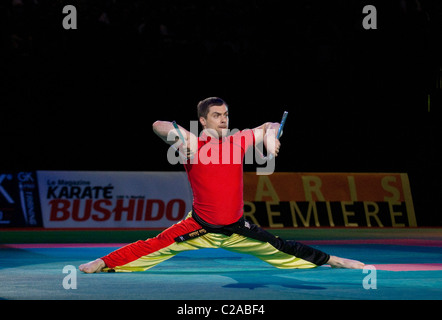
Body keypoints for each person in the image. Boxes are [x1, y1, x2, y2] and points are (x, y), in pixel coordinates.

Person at [79, 97, 364, 273]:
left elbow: (270, 125)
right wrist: (181, 137)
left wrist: (269, 138)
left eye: (226, 114)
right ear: (203, 120)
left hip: (237, 227)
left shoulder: (237, 141)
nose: (224, 119)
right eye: (217, 115)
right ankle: (103, 262)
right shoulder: (192, 146)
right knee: (153, 246)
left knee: (282, 247)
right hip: (199, 225)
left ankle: (333, 261)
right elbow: (157, 124)